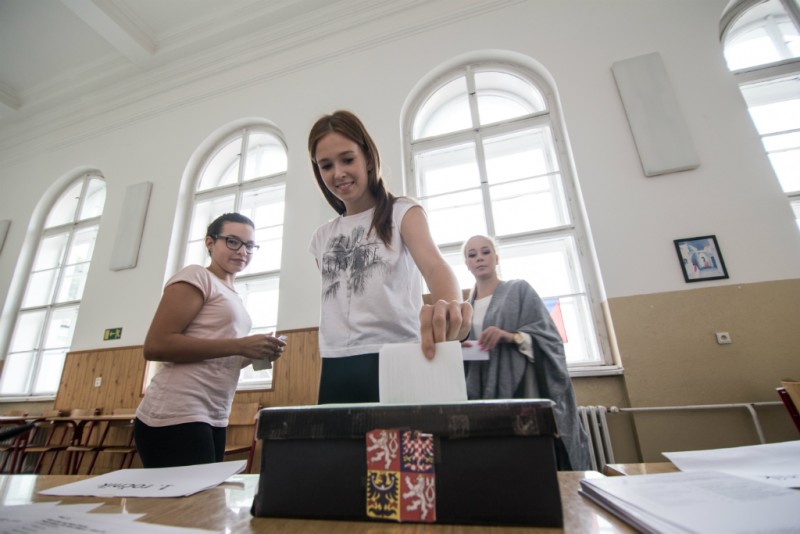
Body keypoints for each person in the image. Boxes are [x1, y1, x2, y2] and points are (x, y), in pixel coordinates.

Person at [308, 110, 472, 404]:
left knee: (401, 436)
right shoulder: (322, 237)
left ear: (368, 159)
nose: (338, 173)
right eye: (326, 165)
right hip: (336, 361)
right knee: (339, 436)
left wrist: (448, 303)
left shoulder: (402, 212)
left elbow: (435, 267)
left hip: (397, 354)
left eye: (348, 159)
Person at [134, 212, 285, 468]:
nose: (242, 251)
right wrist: (241, 345)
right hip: (177, 411)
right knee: (190, 494)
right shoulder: (197, 276)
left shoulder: (233, 295)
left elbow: (220, 356)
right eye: (233, 241)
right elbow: (156, 345)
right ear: (210, 242)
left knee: (207, 493)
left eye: (249, 245)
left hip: (214, 413)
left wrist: (255, 353)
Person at [461, 234, 591, 470]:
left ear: (496, 258)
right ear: (467, 264)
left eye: (485, 252)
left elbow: (550, 338)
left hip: (522, 386)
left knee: (531, 459)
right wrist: (458, 351)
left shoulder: (518, 290)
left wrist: (510, 336)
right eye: (472, 255)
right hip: (482, 392)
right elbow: (473, 352)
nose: (479, 258)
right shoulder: (465, 308)